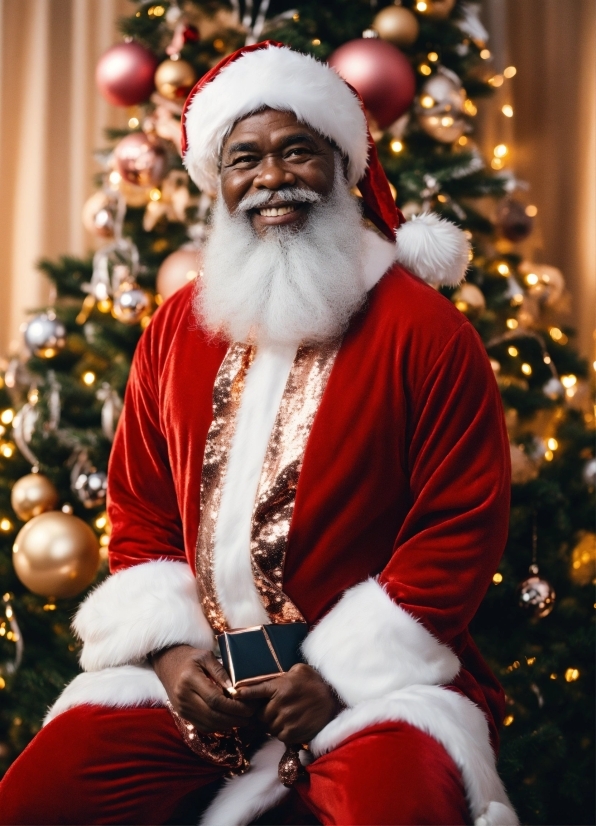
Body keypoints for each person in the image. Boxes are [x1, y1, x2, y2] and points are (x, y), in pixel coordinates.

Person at [0, 42, 518, 826]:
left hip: (374, 686)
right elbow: (140, 508)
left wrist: (338, 675)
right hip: (201, 680)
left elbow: (460, 523)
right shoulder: (178, 325)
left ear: (341, 167)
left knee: (401, 806)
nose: (271, 178)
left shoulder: (428, 330)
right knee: (39, 797)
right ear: (220, 180)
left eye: (297, 152)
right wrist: (171, 653)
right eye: (246, 158)